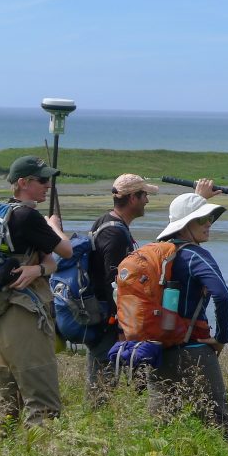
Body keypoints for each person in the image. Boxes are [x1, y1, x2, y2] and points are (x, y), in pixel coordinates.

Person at [0, 155, 72, 439]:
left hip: (0, 316)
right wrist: (53, 226)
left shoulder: (1, 212)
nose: (48, 186)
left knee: (7, 402)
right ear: (23, 183)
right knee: (45, 406)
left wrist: (40, 267)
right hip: (25, 314)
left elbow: (50, 263)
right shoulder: (27, 216)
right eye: (42, 180)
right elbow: (66, 251)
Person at [148, 189, 228, 443]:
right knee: (217, 418)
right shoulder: (195, 255)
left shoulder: (156, 253)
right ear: (186, 224)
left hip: (157, 348)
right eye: (202, 219)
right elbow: (222, 295)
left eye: (209, 218)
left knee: (161, 422)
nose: (208, 223)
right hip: (194, 348)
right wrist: (221, 338)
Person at [83, 173, 158, 405]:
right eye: (144, 195)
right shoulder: (114, 234)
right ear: (133, 198)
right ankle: (93, 429)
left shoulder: (106, 221)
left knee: (103, 380)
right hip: (109, 322)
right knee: (103, 385)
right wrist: (123, 327)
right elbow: (114, 284)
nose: (147, 200)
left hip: (102, 316)